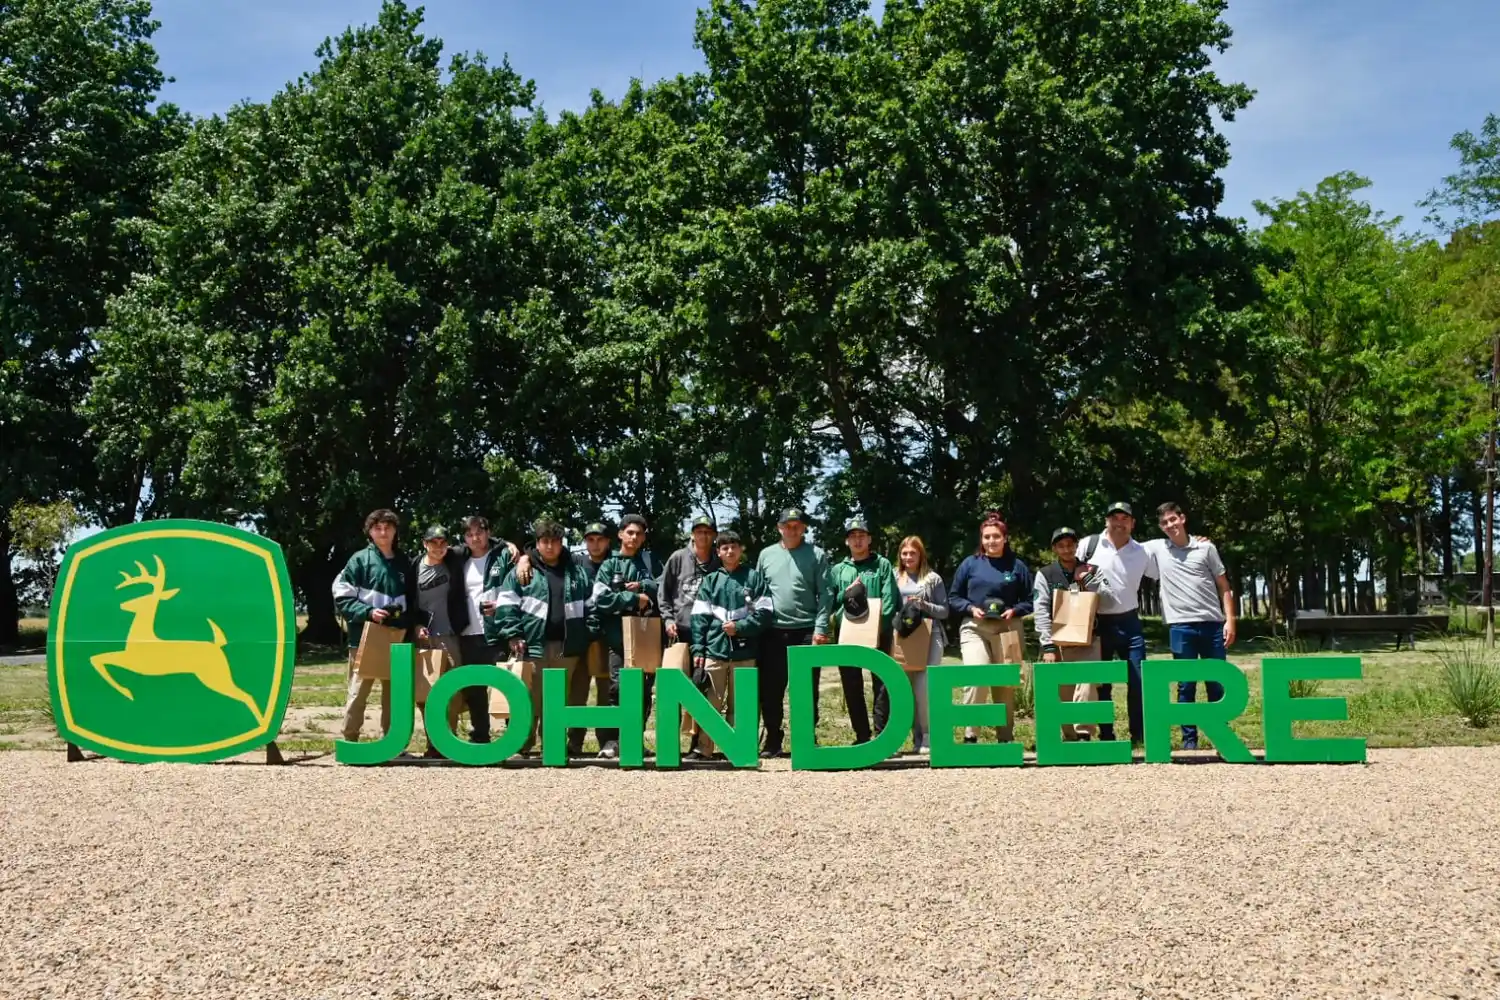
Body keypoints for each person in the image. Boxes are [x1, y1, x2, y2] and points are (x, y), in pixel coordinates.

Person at [493, 518, 595, 757]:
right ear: (537, 543)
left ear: (562, 543)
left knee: (557, 700)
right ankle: (521, 745)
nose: (550, 546)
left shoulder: (577, 573)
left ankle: (552, 746)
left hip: (566, 648)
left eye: (555, 541)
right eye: (545, 541)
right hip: (531, 646)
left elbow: (592, 606)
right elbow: (506, 605)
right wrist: (513, 634)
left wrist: (586, 633)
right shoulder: (521, 572)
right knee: (528, 697)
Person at [1145, 502, 1237, 750]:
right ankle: (1189, 742)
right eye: (1164, 522)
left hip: (1212, 625)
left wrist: (1230, 620)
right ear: (1160, 527)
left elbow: (1224, 586)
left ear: (1183, 518)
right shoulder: (1157, 548)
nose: (1170, 525)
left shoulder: (1206, 547)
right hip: (1180, 627)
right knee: (1186, 685)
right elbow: (1123, 545)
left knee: (1217, 683)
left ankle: (1222, 739)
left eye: (1173, 519)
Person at [1075, 501, 1159, 746]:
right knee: (1102, 683)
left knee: (1138, 680)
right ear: (1106, 521)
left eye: (1125, 518)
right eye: (1114, 518)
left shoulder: (1142, 552)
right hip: (1098, 623)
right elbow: (1070, 569)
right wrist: (1078, 578)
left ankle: (1139, 736)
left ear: (1133, 523)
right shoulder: (1089, 545)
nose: (1119, 523)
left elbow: (1163, 571)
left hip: (1130, 623)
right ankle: (1106, 735)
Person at [754, 507, 834, 759]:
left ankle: (806, 739)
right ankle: (773, 740)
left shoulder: (816, 554)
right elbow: (758, 593)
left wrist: (821, 628)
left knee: (806, 689)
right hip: (773, 631)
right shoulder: (766, 555)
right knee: (771, 690)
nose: (792, 529)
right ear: (779, 528)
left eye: (797, 525)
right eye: (787, 525)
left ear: (804, 528)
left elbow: (826, 594)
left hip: (806, 631)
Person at [947, 512, 1033, 744]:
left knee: (1005, 684)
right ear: (981, 539)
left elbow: (1030, 599)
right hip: (975, 627)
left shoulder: (1017, 566)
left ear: (1005, 538)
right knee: (977, 676)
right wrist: (970, 608)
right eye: (987, 537)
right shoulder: (970, 564)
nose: (991, 541)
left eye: (996, 536)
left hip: (1007, 629)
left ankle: (1005, 739)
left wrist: (1015, 610)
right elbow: (954, 597)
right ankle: (970, 736)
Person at [688, 530, 774, 759]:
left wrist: (741, 627)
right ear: (718, 552)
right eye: (724, 548)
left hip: (746, 652)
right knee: (710, 702)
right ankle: (703, 748)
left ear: (740, 549)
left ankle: (738, 747)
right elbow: (699, 619)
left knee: (742, 704)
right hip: (714, 650)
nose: (730, 551)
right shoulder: (710, 580)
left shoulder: (754, 578)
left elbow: (766, 613)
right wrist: (698, 649)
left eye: (734, 546)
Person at [333, 509, 416, 744]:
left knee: (395, 695)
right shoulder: (359, 560)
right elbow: (343, 598)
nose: (383, 532)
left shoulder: (405, 562)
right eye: (377, 528)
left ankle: (393, 743)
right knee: (358, 692)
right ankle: (350, 742)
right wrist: (368, 613)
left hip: (398, 639)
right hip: (364, 637)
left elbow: (414, 601)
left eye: (388, 527)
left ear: (395, 530)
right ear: (369, 532)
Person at [1032, 526, 1114, 742]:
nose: (1066, 549)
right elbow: (1041, 610)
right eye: (1061, 545)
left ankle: (1084, 733)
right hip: (1058, 642)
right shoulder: (1045, 574)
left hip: (1088, 639)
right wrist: (1048, 646)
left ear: (1076, 545)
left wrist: (1087, 580)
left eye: (1070, 544)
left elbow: (1109, 600)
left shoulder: (1093, 569)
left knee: (1088, 682)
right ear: (1054, 548)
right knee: (1065, 692)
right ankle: (1070, 736)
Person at [591, 513, 661, 759]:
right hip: (617, 640)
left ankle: (633, 741)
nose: (634, 537)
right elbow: (600, 599)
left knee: (643, 692)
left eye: (639, 534)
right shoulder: (609, 565)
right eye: (630, 532)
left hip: (646, 640)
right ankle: (611, 742)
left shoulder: (650, 562)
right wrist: (632, 598)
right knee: (617, 690)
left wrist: (643, 587)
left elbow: (663, 589)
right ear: (620, 534)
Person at [452, 516, 523, 745]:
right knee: (474, 689)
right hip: (467, 633)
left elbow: (518, 588)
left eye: (479, 533)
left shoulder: (504, 555)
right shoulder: (458, 558)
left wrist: (500, 606)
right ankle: (480, 736)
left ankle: (515, 738)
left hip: (497, 631)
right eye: (469, 534)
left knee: (506, 685)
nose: (475, 538)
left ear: (488, 532)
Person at [828, 517, 900, 743]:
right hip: (847, 633)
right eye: (853, 536)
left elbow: (890, 599)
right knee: (851, 685)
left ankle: (882, 735)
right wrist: (845, 594)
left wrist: (878, 626)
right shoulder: (838, 569)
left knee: (882, 684)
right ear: (846, 541)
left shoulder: (882, 565)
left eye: (862, 536)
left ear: (869, 539)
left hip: (879, 632)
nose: (857, 540)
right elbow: (831, 601)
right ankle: (862, 736)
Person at [660, 515, 722, 756]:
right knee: (672, 688)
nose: (703, 536)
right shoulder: (678, 558)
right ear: (692, 534)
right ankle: (668, 744)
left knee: (701, 687)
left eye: (708, 532)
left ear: (713, 535)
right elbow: (664, 593)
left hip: (708, 635)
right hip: (680, 633)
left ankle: (697, 744)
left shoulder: (719, 561)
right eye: (699, 531)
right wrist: (668, 619)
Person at [411, 525, 466, 757]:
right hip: (424, 639)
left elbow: (483, 543)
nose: (439, 547)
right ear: (425, 543)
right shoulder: (414, 566)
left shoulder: (454, 559)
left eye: (443, 542)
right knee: (425, 693)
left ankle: (449, 740)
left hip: (449, 636)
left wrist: (512, 547)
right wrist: (416, 625)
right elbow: (409, 601)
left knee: (452, 690)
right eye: (434, 542)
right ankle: (433, 742)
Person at [895, 536, 948, 755]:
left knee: (923, 687)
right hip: (904, 636)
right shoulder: (894, 576)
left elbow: (944, 611)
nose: (908, 557)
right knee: (907, 689)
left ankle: (928, 735)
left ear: (921, 555)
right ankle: (915, 737)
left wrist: (924, 605)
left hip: (930, 635)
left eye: (912, 553)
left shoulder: (933, 579)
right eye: (904, 553)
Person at [565, 521, 615, 756]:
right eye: (590, 539)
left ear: (608, 541)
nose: (595, 544)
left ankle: (606, 741)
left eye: (600, 539)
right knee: (577, 691)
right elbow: (540, 552)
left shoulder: (615, 563)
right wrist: (524, 557)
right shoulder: (575, 563)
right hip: (580, 637)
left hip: (606, 639)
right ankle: (574, 741)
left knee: (605, 693)